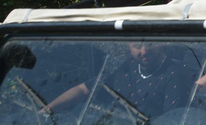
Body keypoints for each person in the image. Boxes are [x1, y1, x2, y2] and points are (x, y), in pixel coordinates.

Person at [44, 42, 192, 118]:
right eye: (137, 46)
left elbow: (172, 120)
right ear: (129, 46)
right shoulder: (125, 66)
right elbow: (83, 89)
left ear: (161, 43)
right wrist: (46, 111)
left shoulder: (175, 74)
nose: (144, 51)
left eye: (150, 45)